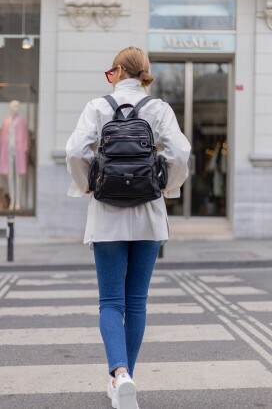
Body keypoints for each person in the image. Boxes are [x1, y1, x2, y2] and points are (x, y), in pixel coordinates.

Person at [66, 46, 191, 409]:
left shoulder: (97, 107)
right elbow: (180, 153)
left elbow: (75, 151)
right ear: (144, 75)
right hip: (149, 215)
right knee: (136, 302)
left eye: (110, 71)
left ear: (119, 71)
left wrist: (88, 184)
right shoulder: (158, 109)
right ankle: (126, 378)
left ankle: (119, 375)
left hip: (106, 216)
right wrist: (165, 185)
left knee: (110, 302)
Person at [0, 100, 28, 210]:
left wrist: (24, 149)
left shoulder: (22, 121)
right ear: (10, 107)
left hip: (18, 152)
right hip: (8, 152)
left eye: (18, 106)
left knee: (18, 177)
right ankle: (12, 201)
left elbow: (25, 138)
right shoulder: (6, 122)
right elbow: (2, 137)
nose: (17, 108)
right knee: (10, 177)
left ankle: (18, 201)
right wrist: (0, 150)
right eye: (15, 106)